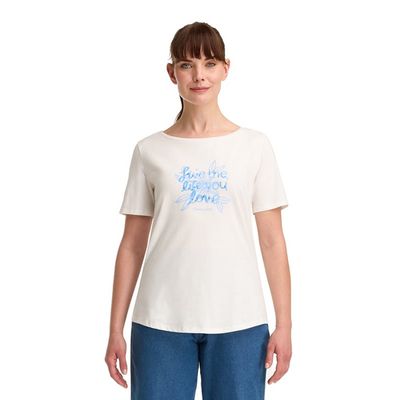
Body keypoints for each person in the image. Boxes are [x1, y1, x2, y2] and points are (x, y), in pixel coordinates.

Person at [105, 21, 292, 400]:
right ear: (171, 72)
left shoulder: (254, 147)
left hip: (240, 319)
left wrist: (284, 324)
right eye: (187, 65)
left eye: (209, 63)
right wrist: (114, 329)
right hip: (160, 319)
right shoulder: (149, 150)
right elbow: (131, 245)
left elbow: (272, 241)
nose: (199, 75)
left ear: (225, 68)